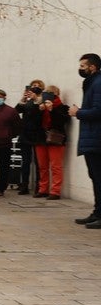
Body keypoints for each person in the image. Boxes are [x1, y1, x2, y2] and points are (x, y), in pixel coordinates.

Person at [71, 53, 101, 229]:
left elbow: (98, 110)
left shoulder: (98, 84)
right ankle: (97, 213)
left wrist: (78, 113)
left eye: (83, 66)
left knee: (99, 178)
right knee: (95, 178)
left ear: (92, 67)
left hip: (97, 140)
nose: (80, 69)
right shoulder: (92, 83)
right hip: (92, 139)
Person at [34, 86, 70, 200]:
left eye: (52, 93)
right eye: (47, 93)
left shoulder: (63, 107)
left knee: (56, 166)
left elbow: (62, 121)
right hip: (41, 139)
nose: (49, 95)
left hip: (56, 139)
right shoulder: (40, 107)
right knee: (42, 166)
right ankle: (43, 189)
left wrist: (52, 110)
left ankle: (55, 191)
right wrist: (39, 110)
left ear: (57, 94)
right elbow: (32, 122)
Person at [15, 81, 46, 195]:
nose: (34, 89)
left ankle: (39, 185)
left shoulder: (42, 102)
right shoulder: (28, 103)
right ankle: (24, 185)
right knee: (25, 161)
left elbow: (38, 114)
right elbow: (17, 111)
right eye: (32, 87)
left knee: (39, 162)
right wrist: (23, 99)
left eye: (37, 87)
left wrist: (37, 99)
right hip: (25, 134)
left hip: (37, 134)